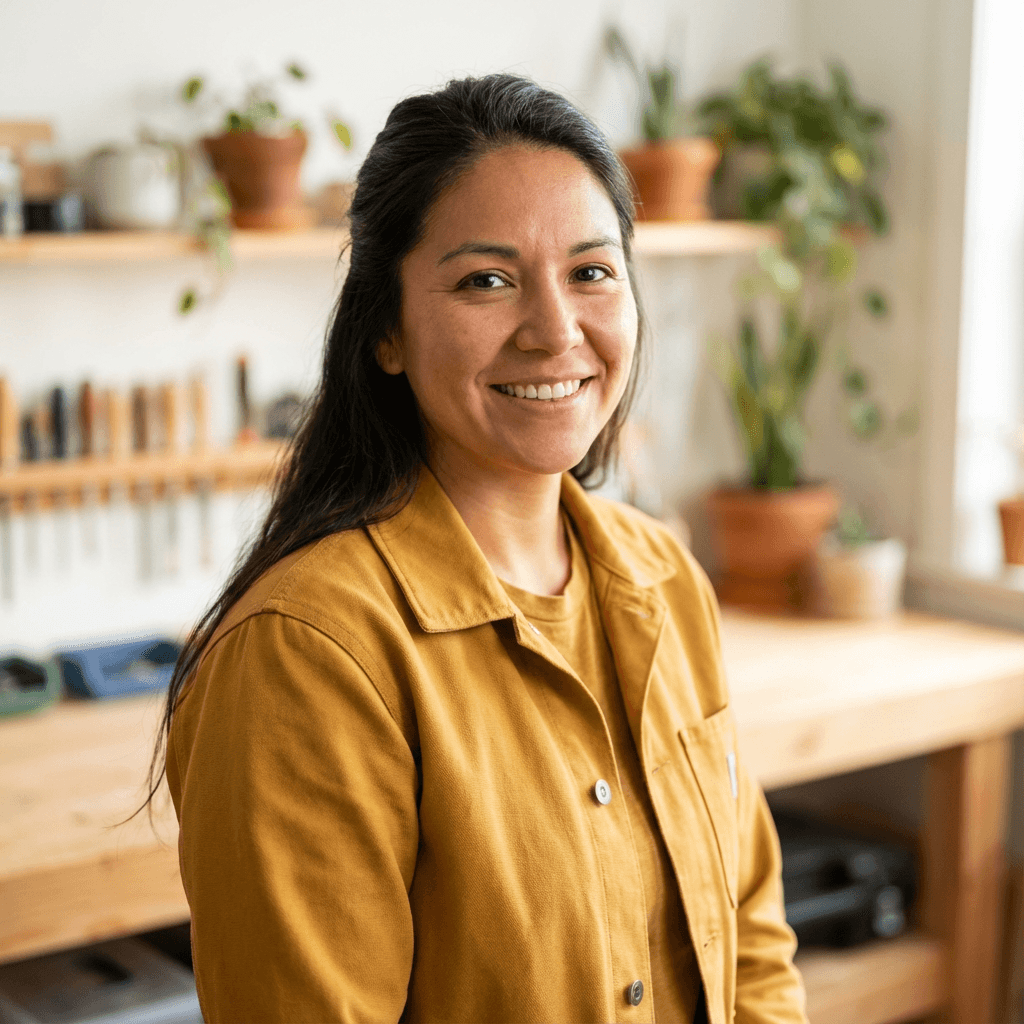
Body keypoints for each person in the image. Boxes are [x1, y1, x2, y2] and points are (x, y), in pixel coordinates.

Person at [147, 73, 807, 1023]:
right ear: (386, 332)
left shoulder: (664, 575)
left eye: (592, 271)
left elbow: (752, 940)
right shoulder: (306, 656)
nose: (555, 330)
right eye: (485, 281)